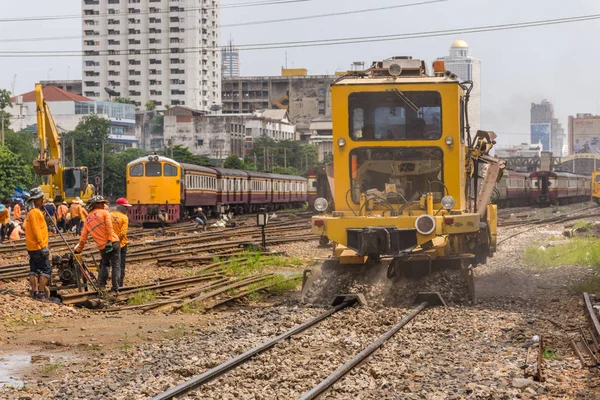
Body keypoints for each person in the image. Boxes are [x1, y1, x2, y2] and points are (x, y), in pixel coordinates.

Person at [74, 195, 121, 297]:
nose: (104, 205)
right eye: (102, 203)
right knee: (116, 265)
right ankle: (115, 289)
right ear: (97, 204)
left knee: (105, 264)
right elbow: (109, 227)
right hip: (113, 242)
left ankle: (101, 286)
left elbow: (83, 239)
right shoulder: (104, 213)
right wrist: (109, 240)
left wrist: (78, 250)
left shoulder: (87, 220)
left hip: (103, 247)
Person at [24, 187, 51, 301]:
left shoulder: (33, 212)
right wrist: (42, 245)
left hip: (32, 246)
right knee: (46, 270)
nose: (42, 201)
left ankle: (35, 293)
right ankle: (40, 293)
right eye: (41, 199)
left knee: (34, 270)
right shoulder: (34, 212)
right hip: (38, 246)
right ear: (36, 200)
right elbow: (36, 230)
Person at [111, 198, 131, 287]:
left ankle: (102, 283)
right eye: (125, 207)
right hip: (121, 244)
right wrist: (117, 240)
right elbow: (123, 233)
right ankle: (119, 284)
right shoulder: (124, 217)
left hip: (110, 243)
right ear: (120, 206)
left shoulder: (109, 215)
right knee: (120, 265)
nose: (127, 209)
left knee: (108, 264)